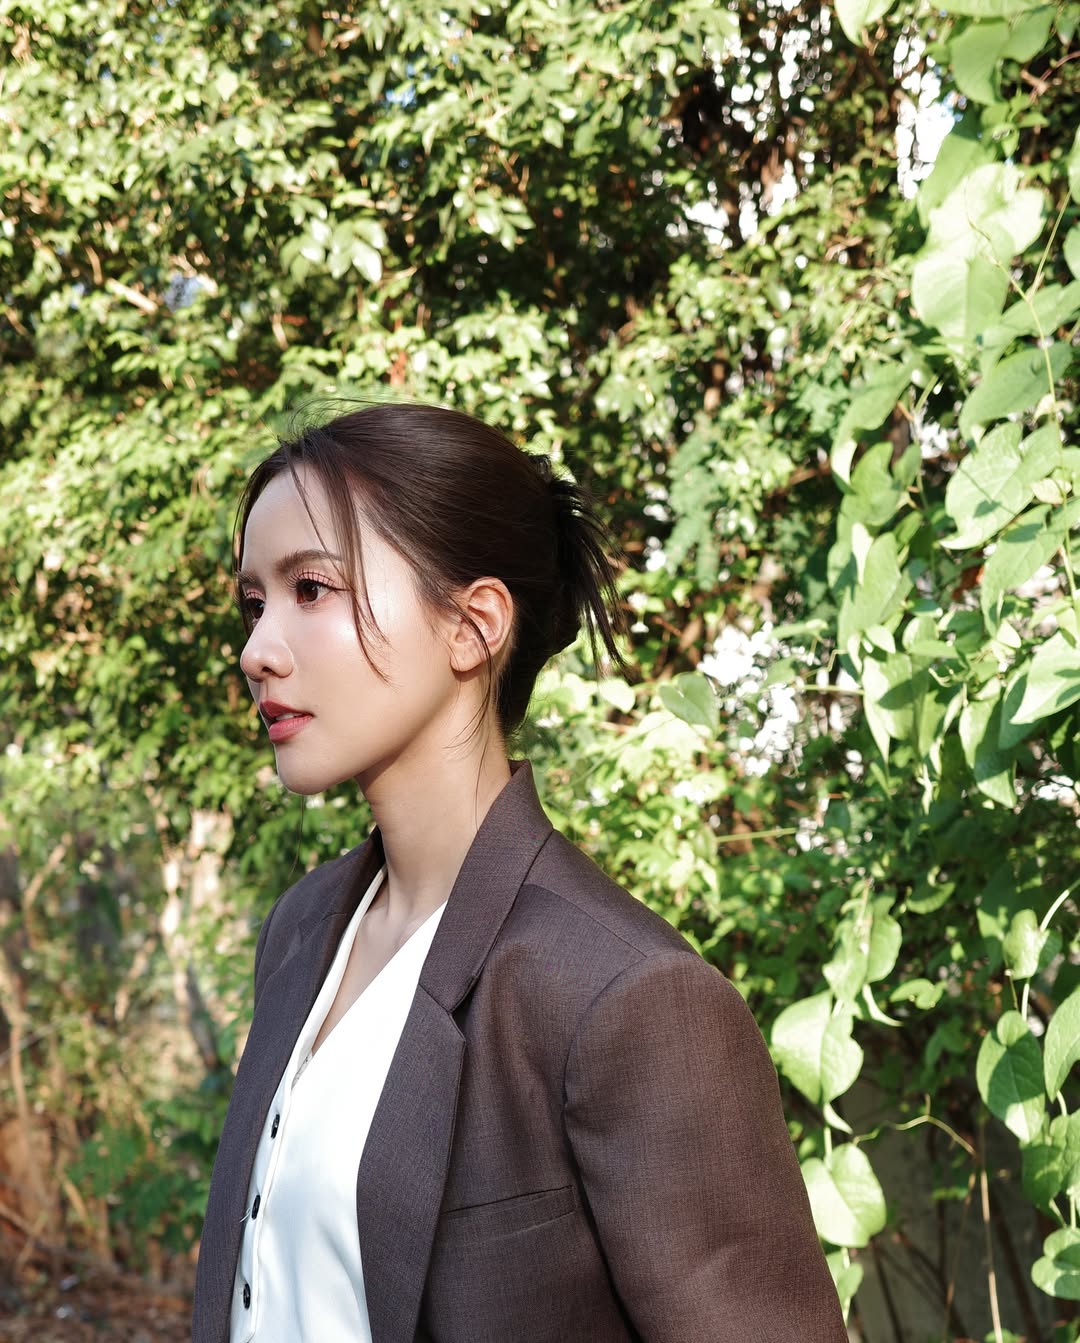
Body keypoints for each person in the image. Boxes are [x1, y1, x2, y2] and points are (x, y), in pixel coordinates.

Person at [192, 402, 847, 1343]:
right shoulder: (303, 928)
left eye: (313, 588)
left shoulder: (625, 997)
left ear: (474, 626)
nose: (257, 650)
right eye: (255, 602)